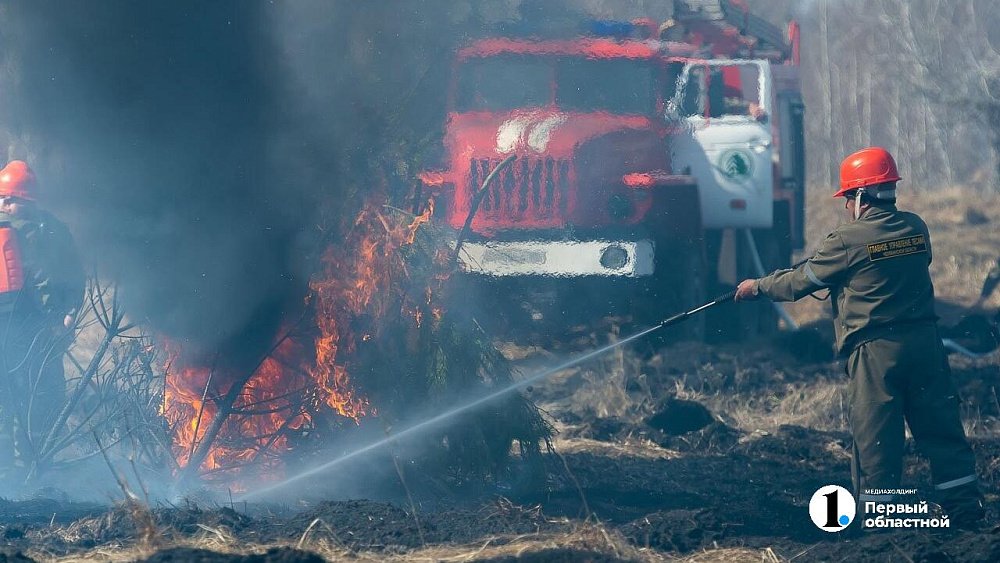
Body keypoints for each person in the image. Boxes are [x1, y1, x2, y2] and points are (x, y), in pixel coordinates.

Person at [734, 147, 985, 527]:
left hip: (876, 354)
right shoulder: (916, 227)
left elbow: (803, 281)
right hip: (927, 346)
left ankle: (882, 525)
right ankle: (966, 512)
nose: (846, 206)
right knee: (942, 433)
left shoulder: (846, 240)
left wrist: (758, 286)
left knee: (877, 442)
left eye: (847, 198)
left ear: (861, 196)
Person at [0, 160, 85, 479]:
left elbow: (73, 276)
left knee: (43, 395)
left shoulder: (52, 230)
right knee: (7, 400)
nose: (8, 207)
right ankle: (8, 476)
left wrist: (67, 314)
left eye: (15, 201)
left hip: (40, 329)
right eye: (7, 200)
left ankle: (36, 468)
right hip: (10, 328)